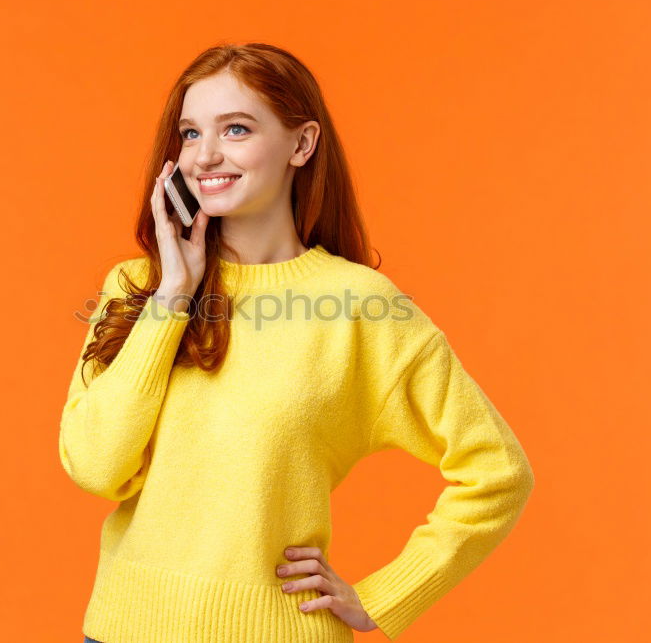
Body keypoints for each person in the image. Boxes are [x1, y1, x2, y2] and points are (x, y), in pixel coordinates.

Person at [59, 42, 534, 643]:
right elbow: (95, 468)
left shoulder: (362, 306)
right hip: (122, 630)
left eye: (235, 129)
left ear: (301, 144)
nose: (205, 156)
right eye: (189, 133)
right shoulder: (138, 286)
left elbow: (498, 472)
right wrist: (173, 296)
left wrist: (387, 596)